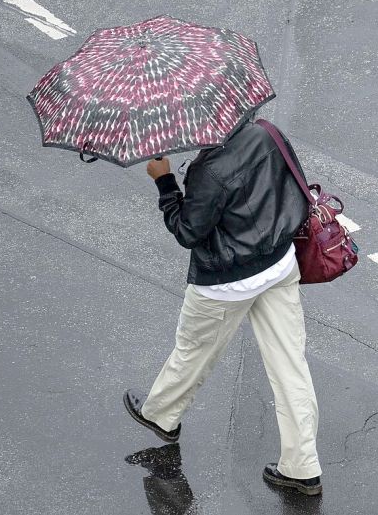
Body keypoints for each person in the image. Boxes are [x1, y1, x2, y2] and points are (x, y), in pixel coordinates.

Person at [122, 116, 323, 496]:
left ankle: (162, 415)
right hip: (278, 266)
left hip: (225, 282)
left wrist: (165, 181)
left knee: (194, 350)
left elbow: (188, 231)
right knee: (291, 366)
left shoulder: (208, 170)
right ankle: (302, 467)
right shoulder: (268, 132)